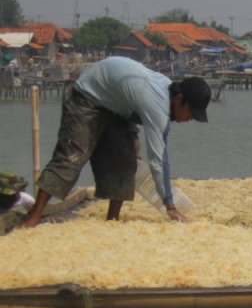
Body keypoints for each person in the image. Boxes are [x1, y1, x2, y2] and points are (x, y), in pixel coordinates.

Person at [22, 56, 211, 228]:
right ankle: (35, 216)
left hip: (115, 105)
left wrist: (133, 138)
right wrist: (169, 205)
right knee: (72, 158)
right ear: (179, 99)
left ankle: (113, 220)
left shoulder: (166, 94)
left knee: (125, 160)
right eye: (191, 113)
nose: (190, 119)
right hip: (87, 96)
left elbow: (132, 104)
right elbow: (159, 160)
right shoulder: (157, 105)